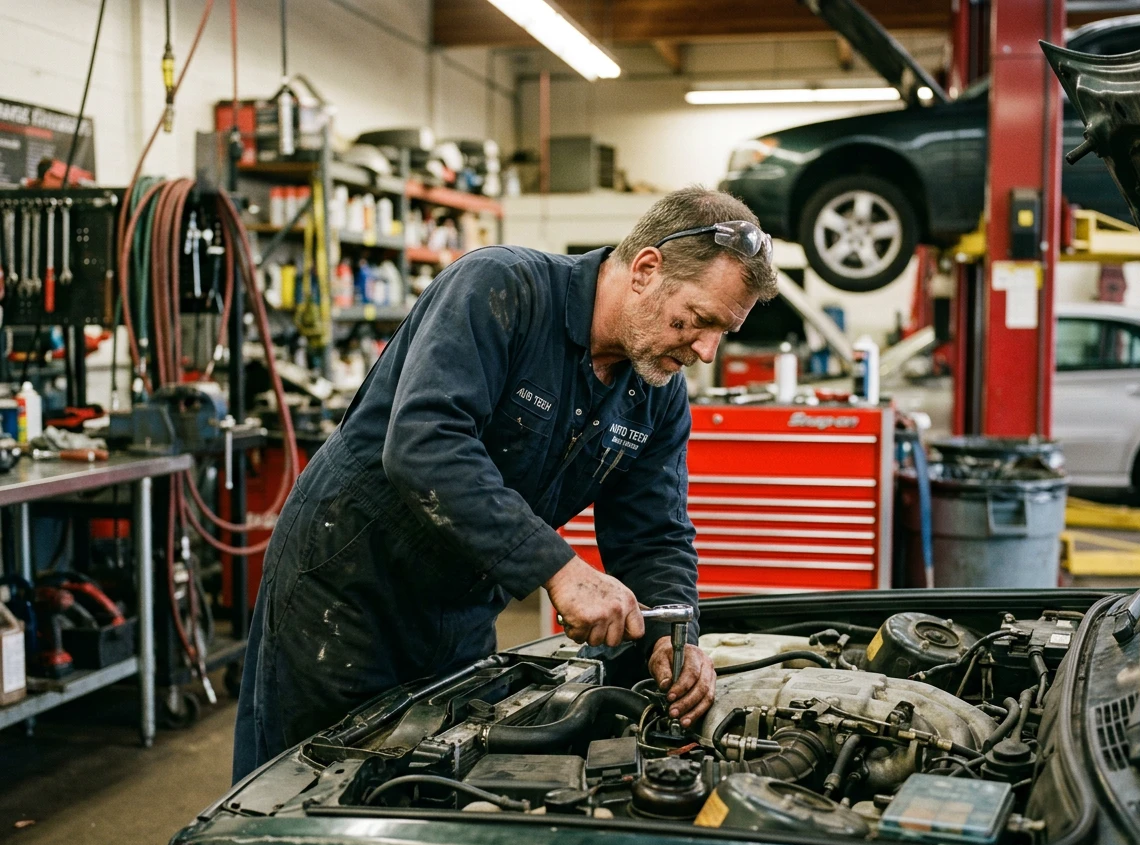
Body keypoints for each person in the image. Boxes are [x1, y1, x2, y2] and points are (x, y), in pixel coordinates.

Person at [232, 186, 777, 780]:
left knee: (433, 781)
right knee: (310, 787)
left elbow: (655, 536)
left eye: (722, 331)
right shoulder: (502, 289)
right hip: (348, 589)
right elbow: (425, 444)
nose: (705, 350)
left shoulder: (658, 396)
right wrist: (562, 570)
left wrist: (673, 634)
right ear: (646, 269)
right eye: (698, 321)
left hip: (462, 604)